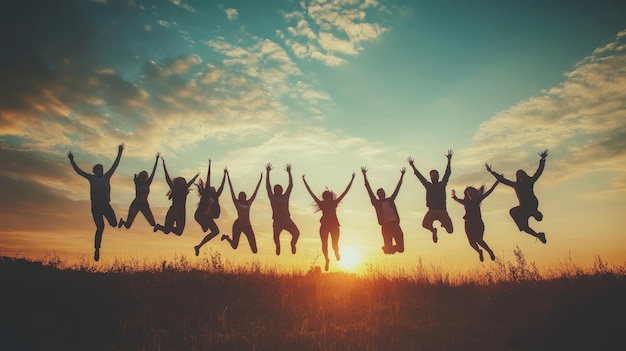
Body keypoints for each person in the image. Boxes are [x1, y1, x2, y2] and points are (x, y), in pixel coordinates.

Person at [67, 144, 124, 261]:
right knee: (100, 227)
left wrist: (119, 152)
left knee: (113, 224)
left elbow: (115, 165)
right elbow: (79, 171)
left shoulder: (107, 176)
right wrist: (72, 160)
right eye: (98, 170)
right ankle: (97, 249)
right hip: (96, 207)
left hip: (106, 206)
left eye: (101, 170)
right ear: (95, 171)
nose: (101, 171)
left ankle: (122, 222)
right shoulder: (91, 178)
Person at [485, 150, 548, 243]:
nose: (520, 176)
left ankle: (537, 214)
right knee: (522, 224)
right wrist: (492, 172)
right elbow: (503, 180)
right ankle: (538, 235)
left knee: (537, 217)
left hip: (532, 204)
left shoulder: (530, 181)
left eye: (522, 174)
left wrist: (542, 159)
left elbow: (539, 172)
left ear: (525, 175)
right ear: (517, 177)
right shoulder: (515, 185)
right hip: (523, 208)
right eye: (519, 175)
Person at [302, 172, 355, 271]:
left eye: (328, 195)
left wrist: (352, 180)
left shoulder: (334, 203)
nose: (326, 197)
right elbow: (311, 193)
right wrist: (304, 181)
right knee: (324, 245)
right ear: (323, 197)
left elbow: (345, 192)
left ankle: (336, 251)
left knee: (334, 244)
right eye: (325, 195)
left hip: (334, 225)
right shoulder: (321, 203)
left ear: (330, 196)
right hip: (324, 226)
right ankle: (327, 260)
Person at [407, 150, 454, 244]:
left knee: (450, 231)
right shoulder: (428, 185)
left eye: (435, 175)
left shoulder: (442, 184)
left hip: (442, 210)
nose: (433, 177)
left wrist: (449, 160)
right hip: (431, 210)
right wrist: (412, 166)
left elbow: (447, 173)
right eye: (432, 175)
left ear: (438, 176)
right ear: (430, 177)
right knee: (425, 224)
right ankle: (433, 231)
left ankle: (444, 224)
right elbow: (420, 177)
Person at [362, 166, 406, 254]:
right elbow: (368, 189)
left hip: (395, 224)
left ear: (385, 193)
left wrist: (402, 175)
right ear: (378, 195)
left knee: (401, 249)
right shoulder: (376, 203)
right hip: (386, 227)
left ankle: (387, 248)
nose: (382, 193)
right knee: (389, 252)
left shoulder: (390, 200)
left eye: (383, 192)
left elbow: (398, 188)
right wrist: (364, 175)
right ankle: (387, 249)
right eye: (380, 192)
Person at [451, 181, 499, 262]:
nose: (470, 193)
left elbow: (489, 191)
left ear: (474, 193)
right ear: (466, 194)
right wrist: (454, 196)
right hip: (468, 224)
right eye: (468, 192)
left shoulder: (478, 199)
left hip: (477, 223)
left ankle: (489, 251)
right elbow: (457, 199)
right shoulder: (465, 202)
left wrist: (497, 181)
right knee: (471, 242)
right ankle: (479, 251)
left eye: (471, 192)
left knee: (479, 240)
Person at [220, 169, 263, 254]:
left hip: (247, 226)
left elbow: (255, 192)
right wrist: (228, 176)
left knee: (254, 250)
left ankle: (226, 237)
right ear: (239, 197)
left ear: (245, 196)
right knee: (234, 246)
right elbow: (231, 190)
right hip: (238, 225)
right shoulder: (237, 203)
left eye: (243, 195)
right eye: (240, 195)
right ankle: (226, 237)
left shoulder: (248, 203)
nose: (242, 196)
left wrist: (260, 179)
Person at [153, 158, 199, 236]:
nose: (182, 183)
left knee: (179, 232)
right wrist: (164, 164)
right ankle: (159, 227)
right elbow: (167, 178)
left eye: (183, 182)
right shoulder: (174, 189)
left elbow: (190, 182)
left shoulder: (185, 189)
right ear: (177, 183)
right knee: (166, 231)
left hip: (181, 212)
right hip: (173, 211)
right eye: (180, 181)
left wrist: (196, 176)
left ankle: (164, 227)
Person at [118, 152, 160, 230]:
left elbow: (153, 172)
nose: (144, 177)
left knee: (153, 223)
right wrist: (135, 177)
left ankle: (159, 227)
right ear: (140, 176)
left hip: (144, 204)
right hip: (136, 204)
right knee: (127, 226)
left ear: (146, 177)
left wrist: (157, 160)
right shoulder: (138, 183)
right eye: (142, 175)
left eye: (145, 176)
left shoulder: (148, 183)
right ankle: (122, 222)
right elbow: (135, 179)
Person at [194, 160, 226, 256]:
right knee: (205, 229)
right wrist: (209, 166)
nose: (212, 188)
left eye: (214, 188)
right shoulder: (206, 195)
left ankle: (198, 246)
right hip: (200, 215)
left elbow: (222, 187)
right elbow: (208, 180)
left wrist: (225, 175)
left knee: (216, 231)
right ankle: (204, 227)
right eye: (211, 188)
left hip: (207, 217)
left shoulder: (216, 196)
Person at [266, 163, 300, 255]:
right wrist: (267, 172)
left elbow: (290, 185)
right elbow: (268, 186)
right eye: (276, 189)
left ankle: (293, 244)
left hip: (287, 220)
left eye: (279, 188)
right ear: (274, 190)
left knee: (296, 233)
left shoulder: (285, 196)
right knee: (276, 236)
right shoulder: (272, 197)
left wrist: (289, 173)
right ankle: (278, 246)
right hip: (277, 221)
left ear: (281, 190)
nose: (277, 190)